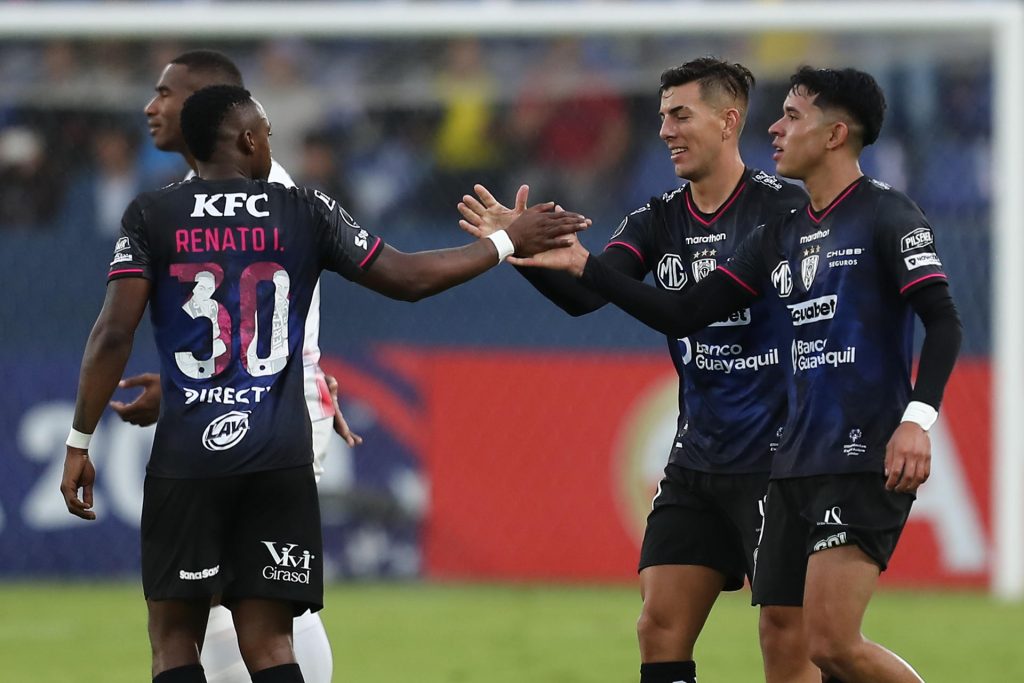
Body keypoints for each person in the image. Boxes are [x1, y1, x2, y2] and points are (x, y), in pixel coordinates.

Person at [59, 84, 586, 683]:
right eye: (267, 134)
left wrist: (79, 440)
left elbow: (111, 333)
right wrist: (506, 242)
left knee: (175, 641)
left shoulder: (152, 215)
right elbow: (408, 278)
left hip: (189, 460)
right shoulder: (305, 211)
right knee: (272, 646)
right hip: (278, 459)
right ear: (249, 139)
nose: (270, 146)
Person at [529, 66, 962, 683]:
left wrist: (917, 420)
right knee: (677, 629)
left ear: (835, 134)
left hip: (829, 453)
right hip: (759, 465)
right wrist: (559, 261)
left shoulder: (867, 212)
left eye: (792, 116)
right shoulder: (766, 232)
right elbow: (682, 311)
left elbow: (943, 321)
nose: (776, 128)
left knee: (819, 644)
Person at [459, 58, 807, 683]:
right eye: (661, 118)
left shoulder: (782, 209)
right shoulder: (660, 217)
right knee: (658, 626)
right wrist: (514, 252)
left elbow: (681, 309)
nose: (666, 131)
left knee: (787, 639)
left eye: (681, 115)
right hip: (698, 460)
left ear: (729, 121)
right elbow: (589, 295)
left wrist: (583, 266)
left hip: (780, 461)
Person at [106, 50, 350, 683]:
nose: (150, 107)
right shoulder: (189, 195)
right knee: (241, 606)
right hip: (241, 402)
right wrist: (188, 382)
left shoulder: (265, 190)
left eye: (165, 93)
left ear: (208, 107)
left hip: (273, 414)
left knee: (240, 608)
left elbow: (272, 322)